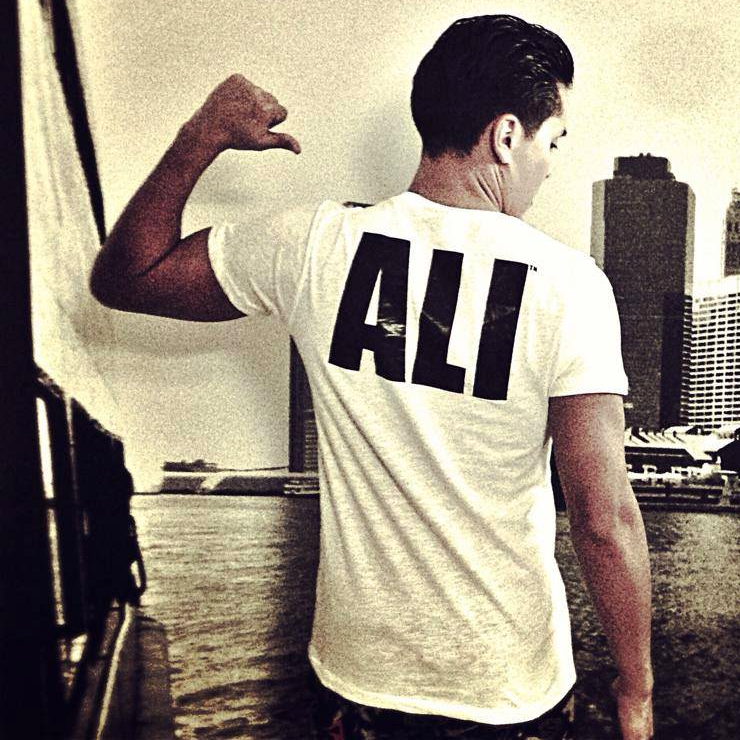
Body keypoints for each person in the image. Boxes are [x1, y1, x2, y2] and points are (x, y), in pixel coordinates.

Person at [90, 14, 653, 740]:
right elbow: (604, 520)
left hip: (358, 692)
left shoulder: (314, 245)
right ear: (507, 136)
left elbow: (128, 276)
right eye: (554, 143)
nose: (550, 166)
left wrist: (202, 134)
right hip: (508, 694)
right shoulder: (570, 286)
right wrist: (636, 689)